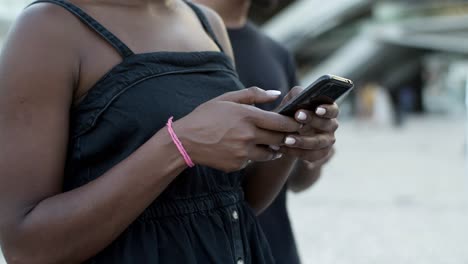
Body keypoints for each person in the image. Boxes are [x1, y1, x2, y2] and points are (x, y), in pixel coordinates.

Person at [0, 0, 338, 263]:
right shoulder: (47, 29)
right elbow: (25, 248)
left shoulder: (206, 22)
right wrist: (178, 145)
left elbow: (232, 202)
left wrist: (287, 139)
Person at [194, 0, 336, 263]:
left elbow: (297, 181)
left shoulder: (276, 51)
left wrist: (313, 151)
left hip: (276, 248)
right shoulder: (175, 42)